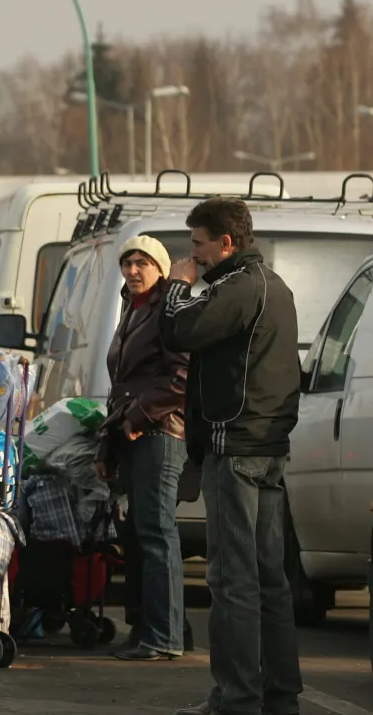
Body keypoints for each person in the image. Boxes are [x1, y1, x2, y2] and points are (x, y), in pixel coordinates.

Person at [159, 198, 302, 715]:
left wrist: (176, 285)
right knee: (268, 580)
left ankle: (237, 697)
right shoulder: (273, 286)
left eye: (198, 244)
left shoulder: (240, 287)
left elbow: (179, 329)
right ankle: (279, 696)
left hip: (236, 446)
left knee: (233, 580)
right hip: (264, 446)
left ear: (227, 242)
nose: (191, 255)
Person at [94, 235, 190, 662]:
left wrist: (137, 418)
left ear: (162, 269)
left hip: (161, 432)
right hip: (132, 433)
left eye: (143, 263)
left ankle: (165, 636)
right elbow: (121, 386)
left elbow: (181, 378)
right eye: (128, 262)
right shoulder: (132, 311)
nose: (133, 270)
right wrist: (106, 444)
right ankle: (145, 628)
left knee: (156, 533)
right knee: (136, 534)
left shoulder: (168, 309)